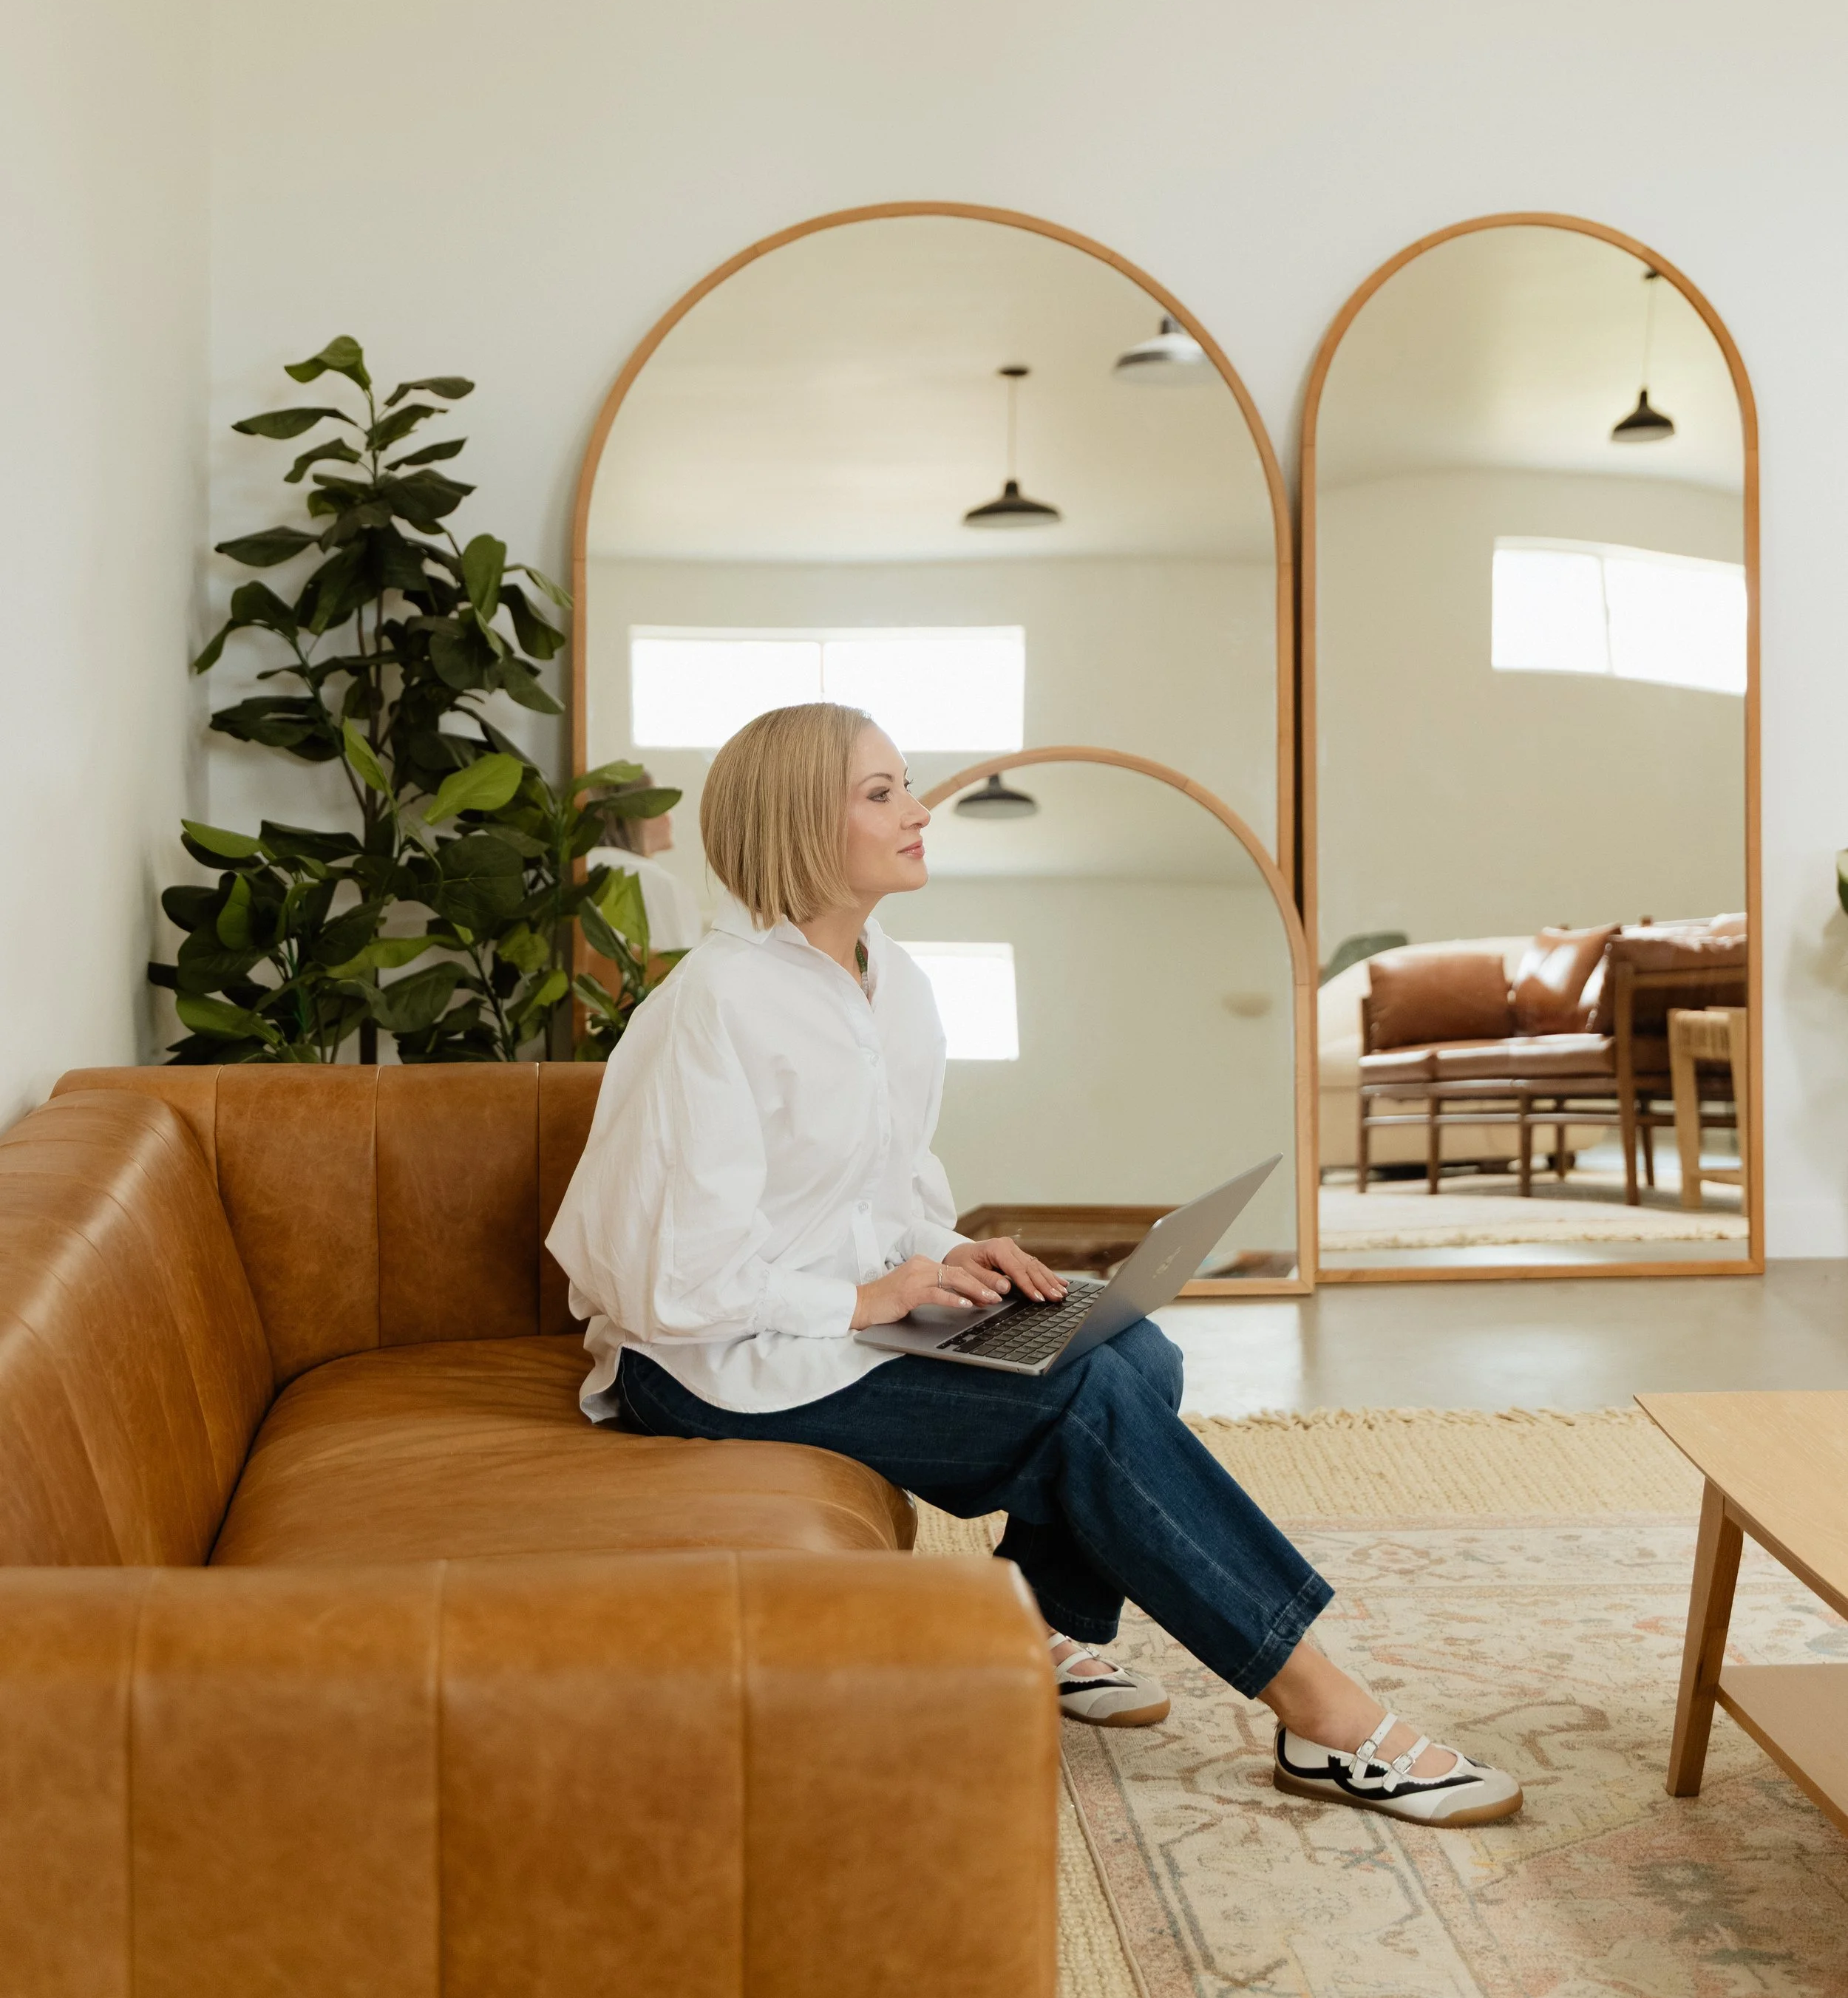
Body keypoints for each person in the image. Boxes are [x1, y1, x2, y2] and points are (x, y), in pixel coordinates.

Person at [547, 703, 1521, 1825]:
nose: (918, 811)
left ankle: (1039, 1623)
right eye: (881, 792)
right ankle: (1326, 1714)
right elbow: (669, 1275)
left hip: (821, 1322)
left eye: (905, 784)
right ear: (797, 821)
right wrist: (872, 1296)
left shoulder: (893, 983)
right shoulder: (712, 1003)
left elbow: (882, 1189)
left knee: (1132, 1349)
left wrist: (954, 1251)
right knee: (1086, 1394)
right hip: (708, 1356)